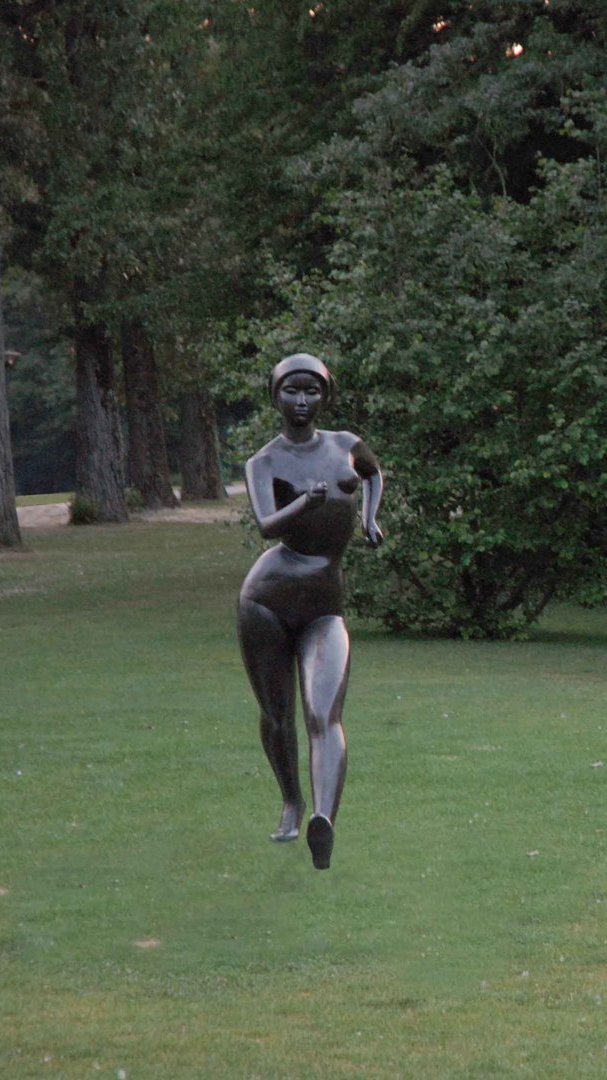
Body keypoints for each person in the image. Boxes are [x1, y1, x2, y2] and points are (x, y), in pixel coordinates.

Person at [237, 353, 384, 870]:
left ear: (325, 396)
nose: (301, 402)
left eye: (311, 392)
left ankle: (325, 819)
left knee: (324, 713)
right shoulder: (265, 462)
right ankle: (291, 803)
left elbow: (372, 473)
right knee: (278, 715)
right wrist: (305, 502)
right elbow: (266, 525)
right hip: (266, 601)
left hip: (326, 603)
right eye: (291, 392)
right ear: (275, 397)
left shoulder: (346, 445)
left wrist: (369, 520)